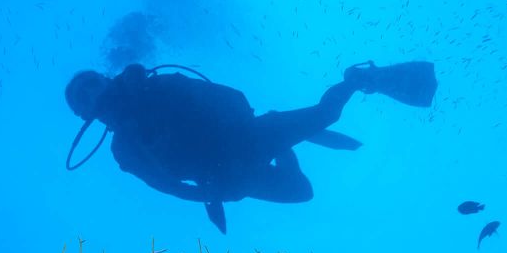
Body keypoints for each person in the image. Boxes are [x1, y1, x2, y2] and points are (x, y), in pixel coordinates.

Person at [64, 60, 437, 232]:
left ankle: (358, 79)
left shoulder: (153, 87)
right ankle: (290, 144)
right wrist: (212, 194)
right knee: (301, 192)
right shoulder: (123, 150)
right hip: (224, 177)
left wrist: (250, 128)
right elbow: (167, 187)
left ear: (104, 77)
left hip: (245, 137)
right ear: (84, 114)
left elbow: (223, 96)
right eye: (83, 97)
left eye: (91, 83)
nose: (91, 94)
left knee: (327, 115)